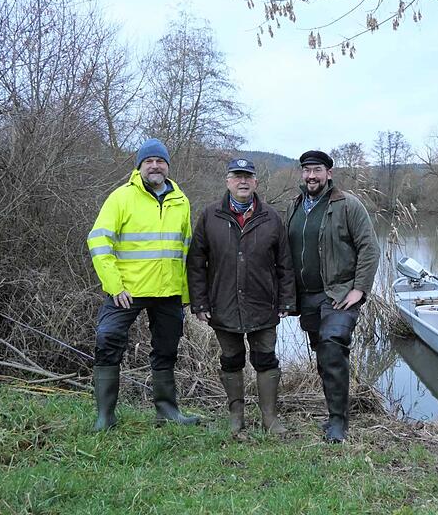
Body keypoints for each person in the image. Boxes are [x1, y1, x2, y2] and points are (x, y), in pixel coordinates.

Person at [87, 138, 199, 431]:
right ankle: (105, 417)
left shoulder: (181, 200)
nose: (154, 165)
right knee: (107, 341)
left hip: (169, 292)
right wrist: (114, 285)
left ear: (167, 166)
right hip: (127, 291)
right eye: (148, 161)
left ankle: (167, 411)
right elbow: (98, 241)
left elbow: (185, 248)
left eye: (160, 161)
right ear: (139, 166)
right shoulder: (122, 197)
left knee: (167, 349)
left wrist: (185, 293)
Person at [187, 158, 295, 436]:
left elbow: (285, 263)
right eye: (237, 176)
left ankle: (270, 418)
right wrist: (199, 302)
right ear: (228, 181)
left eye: (248, 177)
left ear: (256, 182)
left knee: (266, 359)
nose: (243, 181)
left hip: (263, 306)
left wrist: (286, 301)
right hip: (223, 305)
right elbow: (196, 262)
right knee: (231, 360)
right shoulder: (210, 216)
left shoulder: (271, 217)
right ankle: (237, 417)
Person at [286, 150, 380, 442]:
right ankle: (332, 413)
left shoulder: (348, 205)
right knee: (322, 355)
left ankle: (339, 422)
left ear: (329, 173)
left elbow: (369, 248)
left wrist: (359, 288)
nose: (311, 176)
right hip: (308, 297)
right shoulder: (295, 206)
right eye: (306, 170)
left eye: (317, 170)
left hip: (339, 294)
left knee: (332, 346)